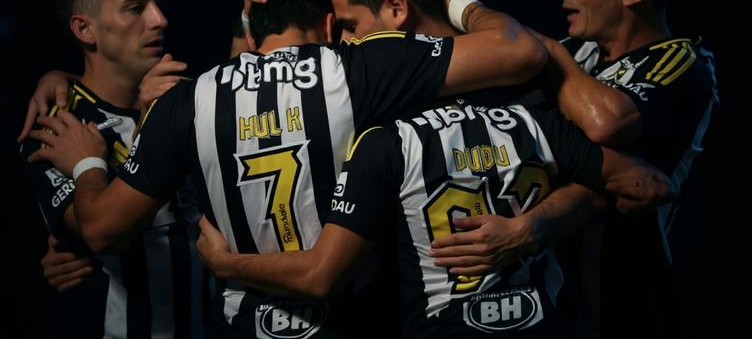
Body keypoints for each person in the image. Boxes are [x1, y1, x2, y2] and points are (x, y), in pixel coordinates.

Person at [28, 0, 549, 338]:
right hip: (358, 320)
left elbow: (100, 228)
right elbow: (519, 49)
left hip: (238, 326)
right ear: (326, 27)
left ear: (251, 31)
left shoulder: (187, 101)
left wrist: (88, 164)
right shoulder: (360, 69)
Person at [430, 0, 719, 339]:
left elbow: (606, 128)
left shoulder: (683, 63)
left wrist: (531, 42)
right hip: (551, 302)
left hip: (627, 306)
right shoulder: (576, 53)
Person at [194, 98, 674, 338]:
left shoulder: (383, 142)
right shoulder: (531, 120)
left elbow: (322, 275)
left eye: (352, 26)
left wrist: (227, 266)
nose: (345, 44)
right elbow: (649, 185)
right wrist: (532, 227)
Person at [19, 0, 204, 338]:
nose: (159, 19)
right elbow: (100, 231)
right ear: (85, 30)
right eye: (136, 7)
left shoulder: (184, 97)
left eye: (156, 3)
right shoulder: (60, 124)